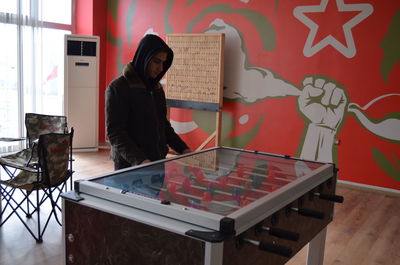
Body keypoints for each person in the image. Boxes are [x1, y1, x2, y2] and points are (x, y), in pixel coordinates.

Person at [106, 34, 191, 170]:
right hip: (130, 166)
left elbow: (163, 124)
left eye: (163, 63)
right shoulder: (118, 87)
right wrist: (141, 161)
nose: (161, 68)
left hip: (156, 161)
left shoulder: (156, 88)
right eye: (157, 62)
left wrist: (183, 149)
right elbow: (115, 132)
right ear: (144, 58)